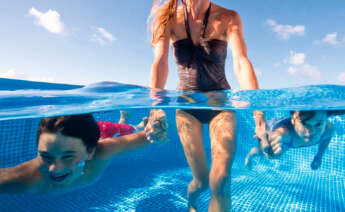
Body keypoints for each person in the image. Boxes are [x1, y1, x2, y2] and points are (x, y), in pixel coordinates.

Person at [149, 0, 268, 211]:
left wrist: (259, 113)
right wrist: (155, 108)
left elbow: (241, 63)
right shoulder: (167, 19)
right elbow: (160, 62)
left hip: (220, 106)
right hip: (187, 109)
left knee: (221, 180)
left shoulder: (229, 17)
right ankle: (192, 203)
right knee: (201, 181)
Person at [0, 110, 168, 194]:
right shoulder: (27, 178)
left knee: (123, 130)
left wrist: (156, 126)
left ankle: (124, 119)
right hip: (93, 136)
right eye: (45, 156)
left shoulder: (103, 150)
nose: (53, 169)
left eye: (68, 156)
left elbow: (151, 135)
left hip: (99, 137)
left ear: (90, 152)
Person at [245, 110, 345, 170]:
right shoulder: (286, 133)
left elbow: (325, 140)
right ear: (292, 119)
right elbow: (277, 135)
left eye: (318, 124)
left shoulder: (328, 129)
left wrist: (319, 156)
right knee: (260, 151)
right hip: (276, 128)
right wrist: (271, 145)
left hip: (293, 138)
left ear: (326, 120)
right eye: (305, 124)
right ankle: (250, 155)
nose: (310, 132)